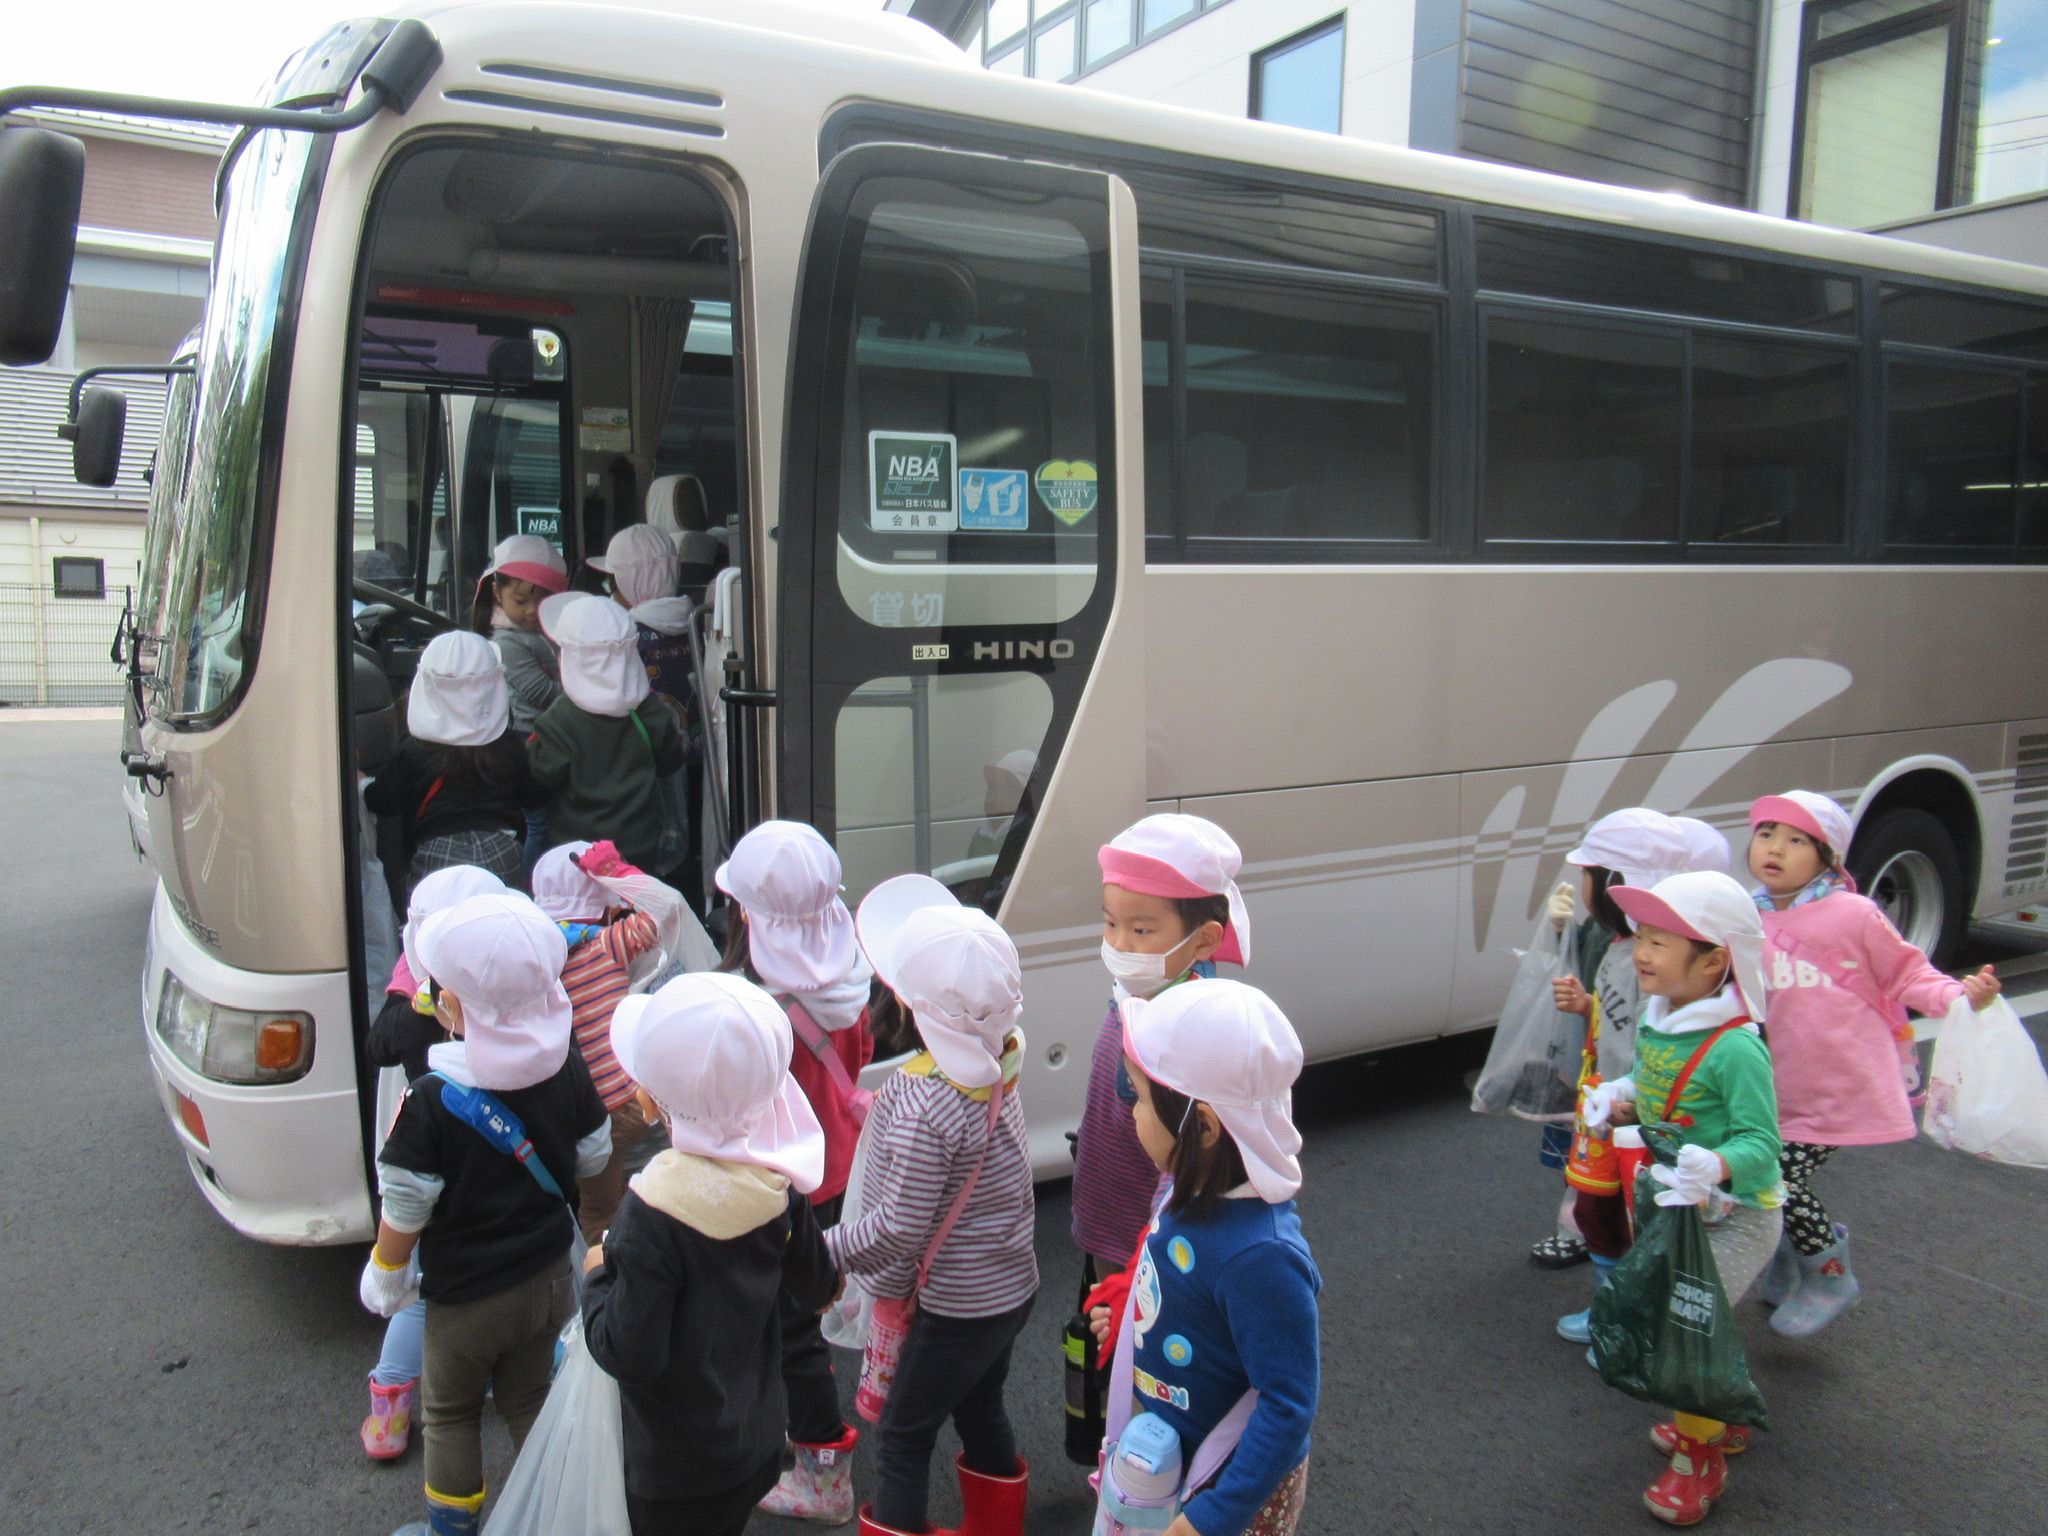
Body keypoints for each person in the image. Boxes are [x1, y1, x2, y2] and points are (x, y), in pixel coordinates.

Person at [360, 893, 611, 1536]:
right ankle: (552, 1512)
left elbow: (406, 1204)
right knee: (531, 1398)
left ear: (455, 1006)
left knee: (450, 1415)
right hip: (548, 1280)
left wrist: (386, 1272)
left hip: (464, 1298)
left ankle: (451, 1529)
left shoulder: (432, 1099)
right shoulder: (566, 1067)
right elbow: (593, 1154)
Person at [581, 972, 839, 1536]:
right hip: (757, 1440)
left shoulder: (651, 1213)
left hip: (675, 1469)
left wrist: (597, 1279)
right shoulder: (779, 1183)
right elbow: (820, 1288)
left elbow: (630, 1352)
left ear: (653, 1100)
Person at [1745, 790, 1999, 1337]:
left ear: (1828, 857)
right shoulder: (1745, 916)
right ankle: (1792, 1263)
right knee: (1764, 1182)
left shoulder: (1854, 914)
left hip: (1835, 1085)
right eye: (1766, 834)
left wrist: (1959, 996)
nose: (1775, 849)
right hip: (1769, 1086)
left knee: (1777, 1183)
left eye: (1795, 841)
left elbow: (1907, 975)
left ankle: (1830, 1277)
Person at [833, 875, 1037, 1536]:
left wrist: (818, 1250)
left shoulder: (923, 1100)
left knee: (901, 1434)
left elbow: (898, 1227)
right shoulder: (998, 1058)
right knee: (979, 1405)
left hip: (959, 1307)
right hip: (1010, 1286)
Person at [1582, 871, 1786, 1525]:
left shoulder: (1737, 1048)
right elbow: (1655, 1086)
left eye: (1661, 941)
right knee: (1692, 1320)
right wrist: (1618, 1095)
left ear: (1714, 962)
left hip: (1740, 1217)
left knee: (1686, 1328)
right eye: (1642, 935)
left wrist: (1719, 1160)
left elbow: (1764, 1143)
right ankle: (1716, 1421)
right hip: (1684, 1209)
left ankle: (1702, 1461)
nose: (1641, 951)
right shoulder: (1660, 1015)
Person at [1086, 978, 1320, 1536]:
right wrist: (1132, 1318)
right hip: (1167, 1452)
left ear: (1207, 1127)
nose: (1131, 1111)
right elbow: (1171, 1278)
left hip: (1227, 1488)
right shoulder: (1184, 1187)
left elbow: (1287, 1404)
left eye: (1140, 1098)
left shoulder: (1262, 1258)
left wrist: (1209, 1520)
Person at [712, 820, 875, 1523]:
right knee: (800, 1309)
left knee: (790, 1326)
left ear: (750, 916)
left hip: (773, 1185)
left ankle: (822, 1468)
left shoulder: (756, 1006)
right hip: (833, 1170)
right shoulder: (850, 980)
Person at [357, 865, 509, 1461]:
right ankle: (397, 1394)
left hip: (462, 1161)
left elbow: (382, 1043)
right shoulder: (502, 986)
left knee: (438, 1287)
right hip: (481, 1165)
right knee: (469, 1283)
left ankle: (392, 1406)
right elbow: (383, 1040)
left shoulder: (430, 987)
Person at [1073, 814, 1250, 1277]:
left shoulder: (1191, 1026)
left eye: (1141, 931)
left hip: (1147, 1231)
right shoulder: (1135, 990)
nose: (1119, 942)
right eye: (1111, 923)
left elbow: (1186, 1149)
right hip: (1111, 1199)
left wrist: (1155, 1235)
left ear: (1205, 940)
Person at [1530, 809, 1694, 1274]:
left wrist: (1637, 1096)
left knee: (1635, 1210)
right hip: (1609, 1099)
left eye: (1589, 875)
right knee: (1597, 1204)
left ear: (1615, 883)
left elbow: (1660, 1032)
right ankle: (1609, 1305)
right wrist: (1587, 1006)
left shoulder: (1651, 954)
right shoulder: (1624, 943)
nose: (1583, 888)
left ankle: (1628, 1312)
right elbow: (1619, 1019)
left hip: (1640, 1109)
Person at [530, 840, 668, 1247]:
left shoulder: (537, 966)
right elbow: (662, 910)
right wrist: (617, 871)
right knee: (656, 1190)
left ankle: (603, 1277)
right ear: (606, 906)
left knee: (598, 1211)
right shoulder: (604, 945)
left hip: (585, 1118)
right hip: (635, 1102)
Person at [363, 631, 546, 889]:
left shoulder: (415, 749)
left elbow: (385, 801)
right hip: (502, 849)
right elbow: (534, 797)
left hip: (437, 857)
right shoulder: (507, 746)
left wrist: (363, 782)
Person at [526, 593, 687, 876]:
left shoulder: (558, 720)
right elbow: (671, 761)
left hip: (578, 853)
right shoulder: (649, 710)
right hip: (641, 847)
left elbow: (539, 780)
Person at [591, 523, 706, 908]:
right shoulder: (696, 617)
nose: (611, 591)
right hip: (702, 754)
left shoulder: (625, 632)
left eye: (614, 581)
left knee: (665, 844)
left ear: (630, 580)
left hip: (650, 760)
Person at [471, 534, 570, 872]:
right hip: (528, 744)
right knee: (538, 824)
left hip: (551, 739)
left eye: (543, 600)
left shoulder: (547, 633)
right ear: (497, 593)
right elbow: (545, 695)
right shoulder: (508, 642)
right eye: (521, 599)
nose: (532, 610)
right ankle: (531, 887)